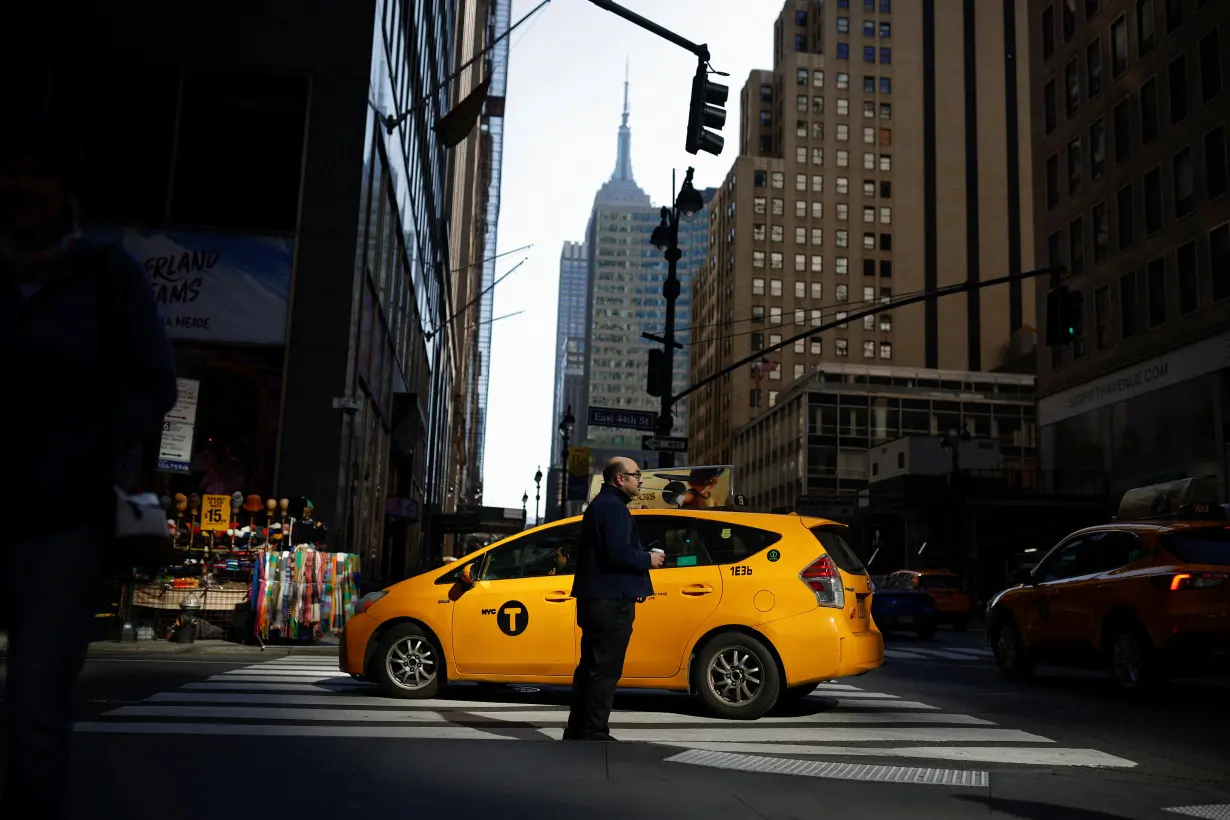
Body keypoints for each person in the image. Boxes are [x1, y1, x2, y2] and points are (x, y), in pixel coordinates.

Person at [0, 112, 178, 818]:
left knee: (36, 702)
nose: (23, 186)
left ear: (68, 190)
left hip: (63, 522)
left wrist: (93, 445)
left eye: (39, 172)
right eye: (11, 171)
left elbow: (153, 383)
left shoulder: (107, 277)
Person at [563, 456, 664, 741]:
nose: (640, 479)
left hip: (595, 599)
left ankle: (578, 728)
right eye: (637, 474)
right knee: (605, 669)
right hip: (611, 600)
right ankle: (593, 730)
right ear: (620, 479)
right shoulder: (613, 509)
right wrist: (648, 558)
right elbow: (618, 553)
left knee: (591, 667)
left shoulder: (600, 506)